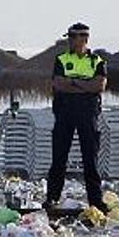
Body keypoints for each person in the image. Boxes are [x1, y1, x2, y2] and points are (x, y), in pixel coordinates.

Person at [43, 23, 108, 213]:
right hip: (65, 113)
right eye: (69, 37)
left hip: (88, 114)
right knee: (59, 158)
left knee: (90, 159)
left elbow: (99, 86)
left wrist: (73, 83)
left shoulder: (97, 61)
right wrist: (84, 84)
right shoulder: (61, 59)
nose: (70, 41)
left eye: (73, 37)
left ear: (84, 38)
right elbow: (59, 84)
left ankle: (96, 201)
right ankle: (52, 197)